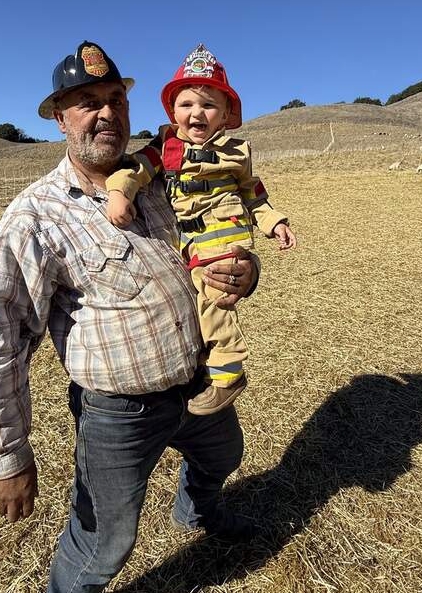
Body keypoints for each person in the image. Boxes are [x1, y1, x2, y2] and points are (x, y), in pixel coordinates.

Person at [0, 41, 260, 593]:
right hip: (119, 412)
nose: (104, 114)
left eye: (115, 100)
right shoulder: (35, 215)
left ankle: (200, 509)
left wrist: (245, 270)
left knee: (224, 456)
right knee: (105, 541)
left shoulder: (164, 176)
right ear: (59, 118)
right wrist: (6, 455)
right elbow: (3, 337)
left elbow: (218, 243)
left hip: (199, 380)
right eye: (86, 104)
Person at [106, 43, 296, 415]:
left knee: (215, 300)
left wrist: (275, 222)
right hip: (190, 239)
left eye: (209, 106)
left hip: (225, 232)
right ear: (173, 111)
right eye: (187, 105)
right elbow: (136, 169)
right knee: (200, 299)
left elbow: (253, 192)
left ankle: (228, 372)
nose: (197, 114)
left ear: (225, 115)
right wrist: (118, 191)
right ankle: (210, 364)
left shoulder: (235, 152)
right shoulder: (167, 147)